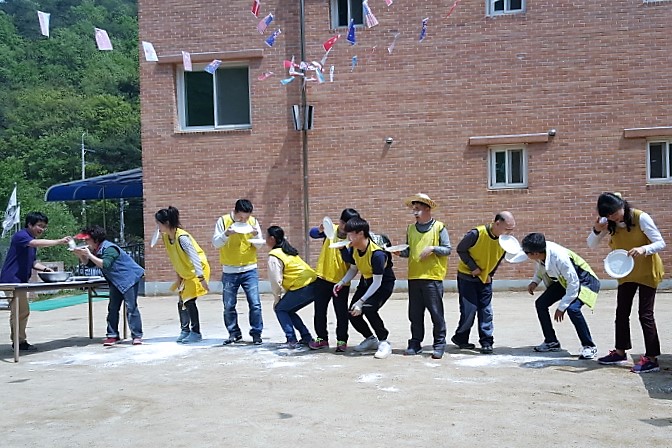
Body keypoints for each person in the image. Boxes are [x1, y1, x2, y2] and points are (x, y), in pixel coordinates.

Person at [588, 192, 666, 373]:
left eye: (614, 213)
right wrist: (596, 230)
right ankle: (620, 352)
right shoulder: (609, 223)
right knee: (621, 312)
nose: (613, 217)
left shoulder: (641, 218)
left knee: (645, 314)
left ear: (622, 205)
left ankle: (652, 358)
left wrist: (643, 249)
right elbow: (591, 244)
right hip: (625, 272)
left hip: (647, 271)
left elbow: (660, 243)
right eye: (609, 216)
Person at [0, 212, 72, 351]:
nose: (42, 229)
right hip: (11, 280)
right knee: (20, 311)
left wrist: (45, 269)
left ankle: (18, 340)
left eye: (44, 227)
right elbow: (35, 243)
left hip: (20, 282)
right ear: (29, 224)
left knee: (21, 311)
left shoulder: (31, 240)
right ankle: (19, 342)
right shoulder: (21, 236)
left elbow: (33, 263)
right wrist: (58, 241)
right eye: (39, 225)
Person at [521, 232, 599, 359]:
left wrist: (562, 306)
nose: (526, 255)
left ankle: (589, 346)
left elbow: (574, 283)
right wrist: (535, 281)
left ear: (535, 253)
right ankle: (551, 341)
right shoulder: (542, 252)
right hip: (565, 282)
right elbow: (541, 267)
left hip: (584, 282)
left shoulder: (560, 258)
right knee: (541, 304)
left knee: (573, 309)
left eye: (527, 253)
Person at [451, 211, 515, 354]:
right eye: (507, 229)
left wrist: (490, 274)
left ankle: (486, 341)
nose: (509, 233)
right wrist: (473, 267)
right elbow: (461, 249)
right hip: (467, 277)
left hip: (485, 279)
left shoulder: (505, 241)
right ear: (497, 223)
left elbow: (498, 258)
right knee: (469, 310)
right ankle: (461, 338)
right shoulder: (476, 234)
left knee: (486, 310)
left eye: (512, 229)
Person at [398, 194, 451, 359]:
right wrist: (398, 252)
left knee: (436, 313)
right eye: (413, 209)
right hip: (414, 277)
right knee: (415, 314)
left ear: (428, 209)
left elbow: (447, 249)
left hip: (432, 277)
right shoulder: (410, 229)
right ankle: (415, 343)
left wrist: (433, 248)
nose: (415, 212)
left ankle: (439, 344)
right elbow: (409, 251)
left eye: (418, 209)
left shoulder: (439, 227)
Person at [334, 217, 396, 359]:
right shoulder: (355, 249)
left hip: (383, 283)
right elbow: (354, 268)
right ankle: (370, 339)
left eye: (350, 234)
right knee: (352, 312)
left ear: (361, 233)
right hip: (366, 281)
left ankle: (384, 341)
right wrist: (342, 282)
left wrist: (361, 302)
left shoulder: (377, 254)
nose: (348, 237)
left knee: (368, 308)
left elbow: (377, 282)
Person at [73, 225, 145, 346]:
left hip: (129, 278)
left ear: (96, 239)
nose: (85, 242)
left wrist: (89, 255)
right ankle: (112, 335)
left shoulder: (110, 248)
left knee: (131, 307)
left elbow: (105, 264)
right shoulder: (96, 249)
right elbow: (90, 264)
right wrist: (80, 255)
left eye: (87, 239)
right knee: (113, 308)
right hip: (116, 281)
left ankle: (136, 335)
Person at [212, 199, 264, 345]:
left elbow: (259, 245)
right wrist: (226, 234)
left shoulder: (253, 222)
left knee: (255, 304)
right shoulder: (223, 221)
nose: (244, 220)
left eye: (246, 217)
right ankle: (234, 333)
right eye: (241, 217)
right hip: (229, 270)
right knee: (229, 305)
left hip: (250, 269)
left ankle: (256, 333)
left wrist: (255, 234)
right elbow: (216, 243)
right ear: (235, 212)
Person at [155, 206, 210, 344]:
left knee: (189, 301)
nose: (157, 226)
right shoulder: (166, 237)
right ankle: (185, 330)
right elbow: (175, 258)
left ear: (167, 223)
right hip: (185, 272)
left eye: (159, 223)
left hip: (197, 271)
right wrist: (178, 276)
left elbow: (194, 257)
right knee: (181, 302)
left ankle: (196, 332)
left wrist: (201, 278)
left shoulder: (182, 238)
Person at [308, 208, 360, 352]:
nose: (345, 228)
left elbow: (350, 260)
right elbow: (312, 234)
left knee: (341, 313)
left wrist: (344, 248)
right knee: (319, 311)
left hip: (341, 282)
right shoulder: (330, 230)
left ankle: (342, 340)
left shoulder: (352, 239)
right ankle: (322, 338)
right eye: (344, 224)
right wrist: (319, 230)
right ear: (340, 221)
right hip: (323, 277)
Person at [266, 226, 316, 348]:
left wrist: (277, 299)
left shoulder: (274, 255)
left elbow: (276, 280)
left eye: (266, 237)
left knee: (280, 309)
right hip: (314, 284)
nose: (265, 239)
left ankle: (291, 339)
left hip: (302, 286)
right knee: (288, 310)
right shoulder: (288, 251)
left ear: (272, 239)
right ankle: (306, 337)